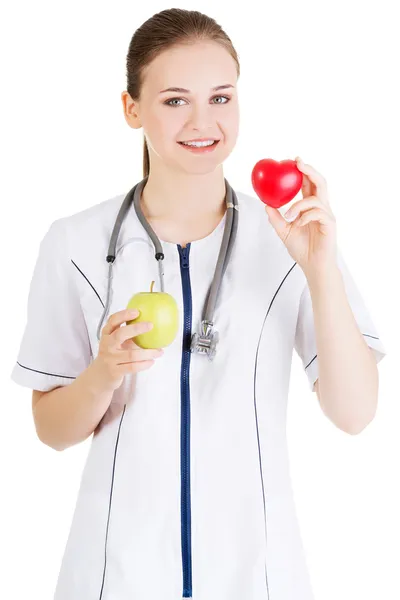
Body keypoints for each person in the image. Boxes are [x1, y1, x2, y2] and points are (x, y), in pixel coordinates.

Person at [10, 8, 387, 600]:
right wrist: (105, 373)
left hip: (259, 576)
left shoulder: (288, 238)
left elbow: (355, 413)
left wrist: (320, 271)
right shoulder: (77, 244)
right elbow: (51, 430)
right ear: (132, 108)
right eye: (175, 100)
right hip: (115, 577)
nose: (203, 121)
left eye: (222, 97)